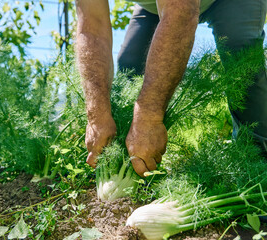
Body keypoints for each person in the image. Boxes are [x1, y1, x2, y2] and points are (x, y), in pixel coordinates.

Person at [75, 0, 267, 177]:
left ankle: (257, 169)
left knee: (243, 63)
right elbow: (91, 27)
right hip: (157, 6)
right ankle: (133, 163)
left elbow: (181, 11)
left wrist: (149, 117)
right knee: (131, 63)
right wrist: (97, 116)